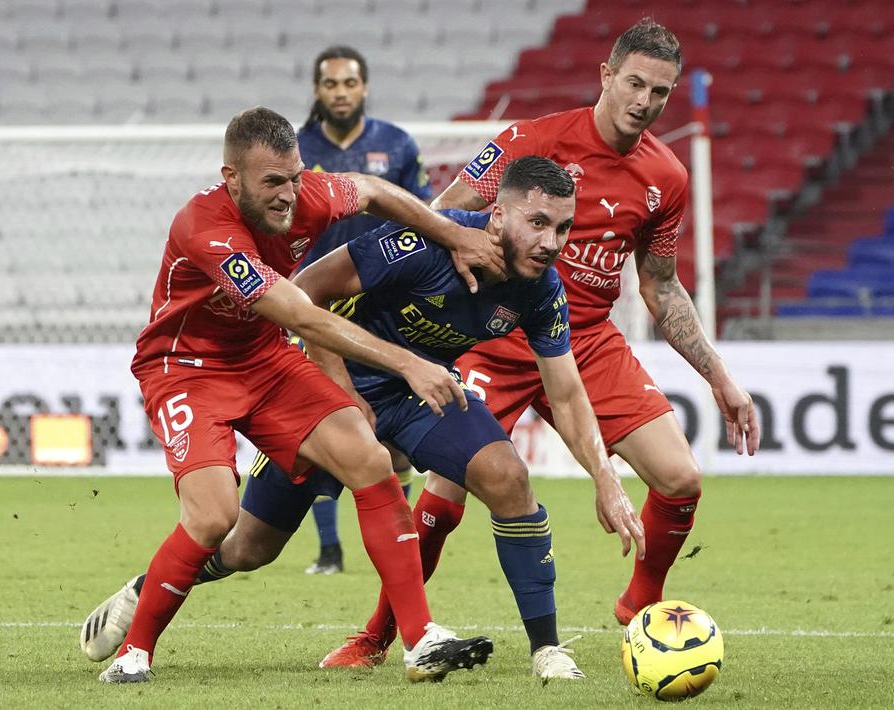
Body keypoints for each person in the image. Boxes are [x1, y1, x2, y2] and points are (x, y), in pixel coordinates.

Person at [79, 156, 645, 681]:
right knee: (247, 547)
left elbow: (567, 394)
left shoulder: (541, 287)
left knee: (508, 477)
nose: (551, 243)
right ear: (496, 214)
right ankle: (149, 589)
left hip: (421, 394)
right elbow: (306, 297)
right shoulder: (421, 245)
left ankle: (539, 648)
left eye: (564, 229)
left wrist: (606, 478)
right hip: (327, 382)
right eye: (538, 223)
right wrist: (347, 390)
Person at [323, 18, 764, 669]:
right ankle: (378, 636)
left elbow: (661, 287)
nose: (644, 102)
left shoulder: (664, 179)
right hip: (492, 340)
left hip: (583, 341)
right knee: (444, 493)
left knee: (680, 480)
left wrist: (719, 378)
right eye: (634, 84)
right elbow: (440, 219)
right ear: (606, 76)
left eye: (660, 92)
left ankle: (640, 604)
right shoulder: (530, 141)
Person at [92, 106, 501, 684]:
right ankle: (136, 653)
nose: (289, 195)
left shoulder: (308, 194)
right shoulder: (205, 228)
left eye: (295, 177)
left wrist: (453, 232)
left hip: (262, 358)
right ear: (232, 178)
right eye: (272, 183)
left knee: (369, 459)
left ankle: (419, 641)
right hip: (185, 368)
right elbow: (303, 318)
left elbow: (374, 191)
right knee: (214, 518)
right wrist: (409, 363)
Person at [295, 45, 432, 576]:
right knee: (320, 430)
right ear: (317, 91)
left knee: (391, 440)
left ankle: (397, 544)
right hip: (313, 305)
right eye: (330, 84)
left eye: (349, 83)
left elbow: (423, 214)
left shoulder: (396, 145)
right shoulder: (298, 148)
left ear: (364, 87)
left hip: (384, 310)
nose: (340, 93)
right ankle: (330, 551)